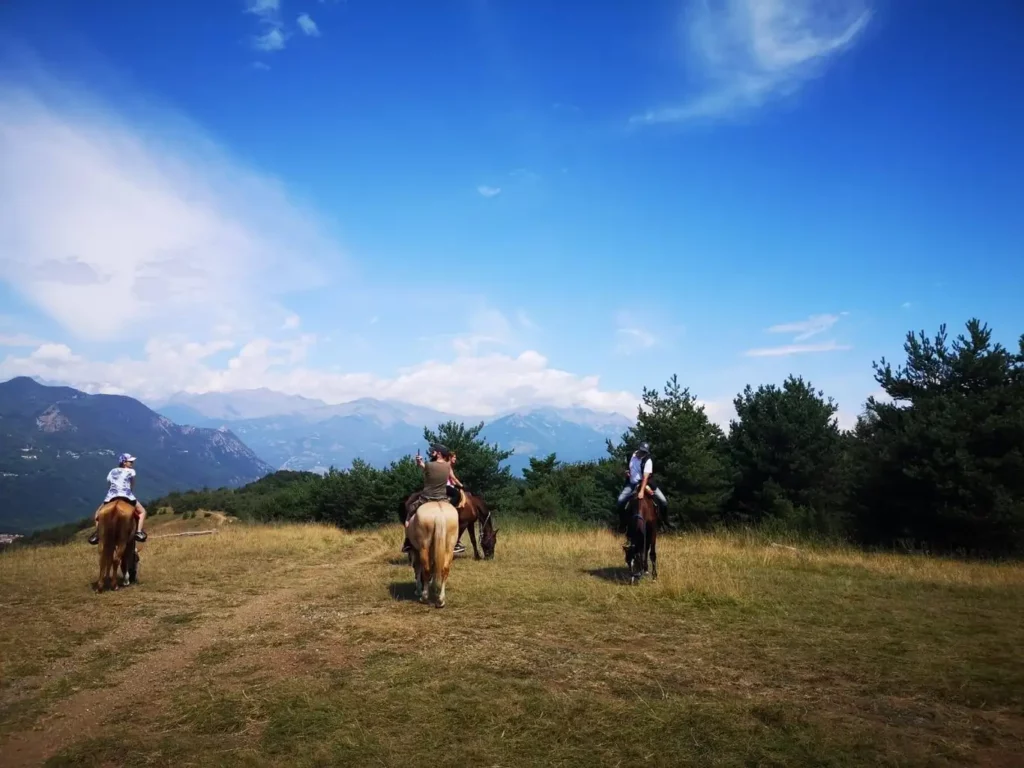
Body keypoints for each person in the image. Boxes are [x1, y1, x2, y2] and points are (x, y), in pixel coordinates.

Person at [616, 442, 671, 547]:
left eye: (645, 452)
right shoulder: (632, 456)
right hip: (631, 483)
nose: (643, 454)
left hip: (645, 483)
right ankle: (623, 524)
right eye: (642, 451)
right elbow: (627, 468)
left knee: (663, 501)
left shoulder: (648, 460)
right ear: (639, 450)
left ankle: (663, 522)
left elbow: (645, 477)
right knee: (620, 501)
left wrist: (641, 491)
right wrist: (626, 472)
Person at [402, 443, 454, 553]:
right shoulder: (448, 466)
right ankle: (455, 542)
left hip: (427, 498)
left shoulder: (430, 465)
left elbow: (426, 469)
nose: (431, 453)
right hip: (443, 499)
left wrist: (419, 462)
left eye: (434, 451)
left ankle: (407, 542)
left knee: (408, 514)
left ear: (439, 454)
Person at [88, 453, 148, 545]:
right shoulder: (131, 471)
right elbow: (132, 485)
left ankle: (98, 533)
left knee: (97, 514)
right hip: (126, 495)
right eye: (130, 461)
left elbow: (109, 483)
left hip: (111, 496)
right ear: (124, 462)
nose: (132, 463)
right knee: (142, 511)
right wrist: (129, 491)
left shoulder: (112, 471)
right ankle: (139, 532)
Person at [447, 452, 466, 555]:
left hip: (446, 485)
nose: (455, 459)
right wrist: (462, 485)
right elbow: (453, 478)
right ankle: (451, 508)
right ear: (449, 457)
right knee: (457, 495)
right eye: (454, 457)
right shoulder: (448, 466)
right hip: (446, 486)